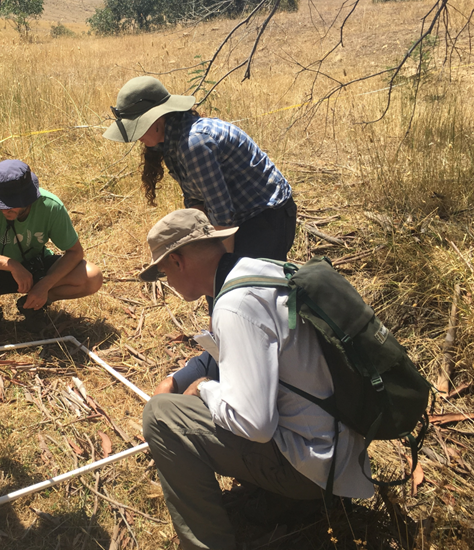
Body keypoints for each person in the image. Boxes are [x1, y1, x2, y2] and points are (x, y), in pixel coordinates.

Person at [134, 208, 369, 550]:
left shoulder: (233, 306)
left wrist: (206, 391)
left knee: (161, 415)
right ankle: (285, 500)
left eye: (164, 272)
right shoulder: (263, 270)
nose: (167, 282)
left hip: (315, 468)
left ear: (179, 261)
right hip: (342, 451)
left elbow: (255, 424)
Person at [105, 76, 297, 280]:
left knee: (247, 288)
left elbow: (222, 216)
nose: (136, 137)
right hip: (236, 217)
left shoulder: (193, 144)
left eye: (138, 125)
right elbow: (198, 202)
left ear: (158, 117)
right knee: (214, 285)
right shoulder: (170, 142)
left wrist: (222, 273)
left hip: (265, 216)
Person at [0, 159, 103, 312]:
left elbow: (75, 252)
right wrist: (10, 264)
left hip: (37, 267)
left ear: (28, 198)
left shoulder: (50, 206)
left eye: (11, 204)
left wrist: (45, 285)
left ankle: (34, 304)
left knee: (92, 277)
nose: (4, 209)